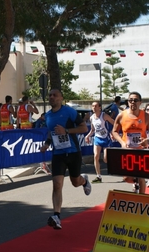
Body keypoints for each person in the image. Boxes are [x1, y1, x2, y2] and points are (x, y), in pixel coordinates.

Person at [40, 88, 91, 230]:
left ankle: (84, 180)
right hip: (58, 154)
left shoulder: (69, 112)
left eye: (54, 95)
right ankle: (56, 216)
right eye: (49, 95)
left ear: (61, 98)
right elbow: (52, 133)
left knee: (75, 182)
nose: (51, 97)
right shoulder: (48, 115)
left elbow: (83, 128)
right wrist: (46, 144)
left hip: (73, 152)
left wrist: (67, 131)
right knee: (57, 184)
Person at [112, 91, 149, 194]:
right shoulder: (121, 115)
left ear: (140, 102)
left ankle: (142, 199)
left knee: (141, 177)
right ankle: (135, 182)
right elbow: (114, 131)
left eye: (135, 100)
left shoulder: (145, 116)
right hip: (127, 151)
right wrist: (122, 143)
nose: (133, 102)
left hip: (140, 151)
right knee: (126, 178)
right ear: (128, 102)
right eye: (130, 100)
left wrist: (148, 140)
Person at [85, 101, 115, 183]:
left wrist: (112, 132)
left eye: (95, 106)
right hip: (97, 138)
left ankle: (115, 166)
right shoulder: (91, 118)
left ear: (99, 107)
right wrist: (87, 136)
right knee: (96, 156)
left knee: (105, 159)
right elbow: (92, 130)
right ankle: (98, 176)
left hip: (106, 139)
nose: (94, 107)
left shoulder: (104, 116)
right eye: (92, 106)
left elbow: (114, 123)